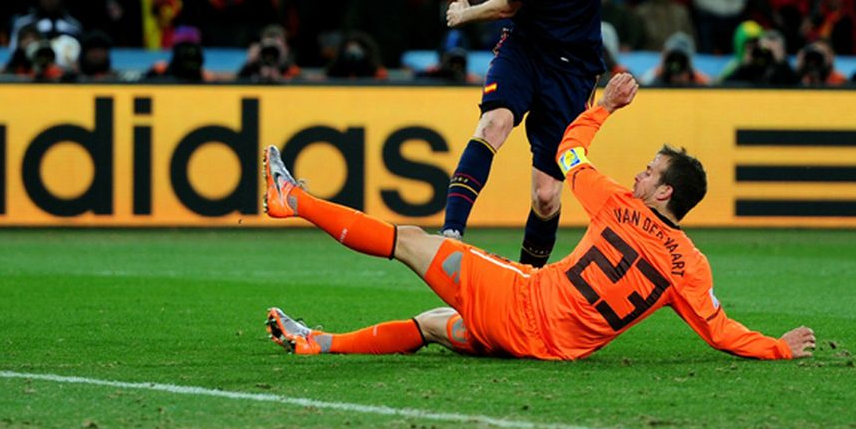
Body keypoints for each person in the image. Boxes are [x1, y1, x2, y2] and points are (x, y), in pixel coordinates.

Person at [261, 73, 816, 362]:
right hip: (555, 347)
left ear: (664, 191)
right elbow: (719, 331)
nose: (638, 177)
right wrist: (777, 347)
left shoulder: (617, 204)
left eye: (649, 172)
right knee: (434, 325)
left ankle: (295, 201)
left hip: (522, 305)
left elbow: (569, 150)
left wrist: (606, 106)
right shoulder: (690, 264)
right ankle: (318, 342)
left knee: (409, 239)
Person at [438, 0, 654, 268]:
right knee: (494, 123)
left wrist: (463, 14)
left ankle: (528, 277)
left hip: (571, 70)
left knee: (546, 195)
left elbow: (507, 5)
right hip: (525, 49)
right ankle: (450, 235)